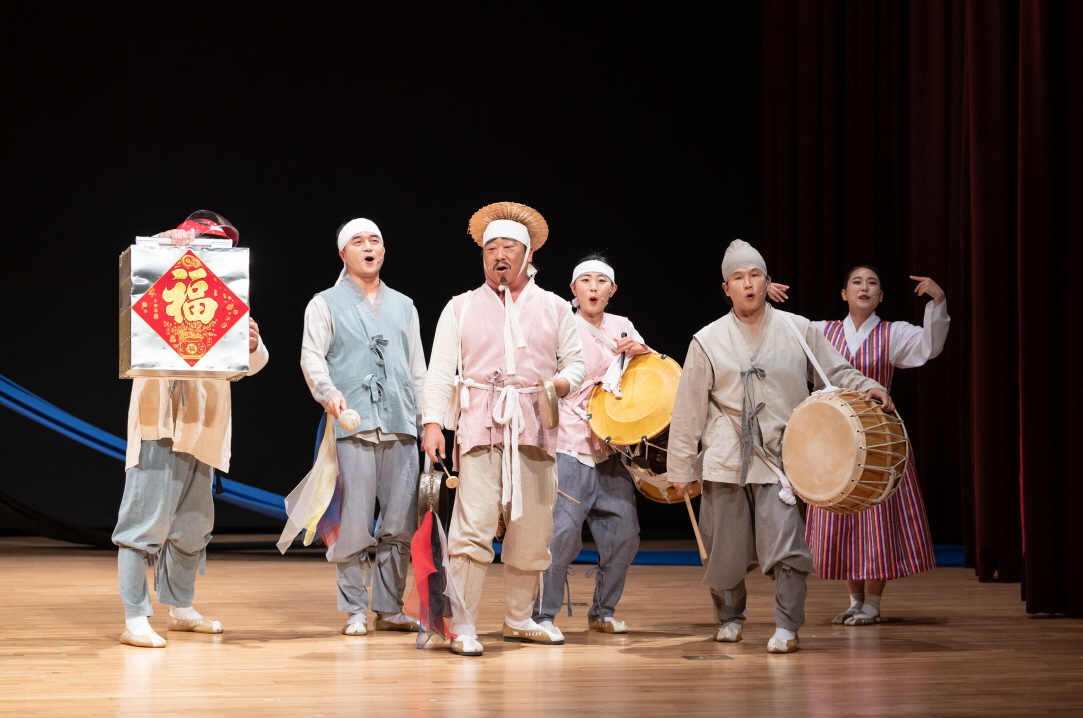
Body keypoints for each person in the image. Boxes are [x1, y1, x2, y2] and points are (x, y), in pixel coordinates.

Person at [666, 240, 889, 654]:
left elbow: (834, 371)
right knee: (723, 548)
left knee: (787, 546)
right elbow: (688, 410)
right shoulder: (707, 339)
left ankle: (787, 625)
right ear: (726, 288)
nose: (748, 284)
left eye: (755, 276)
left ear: (767, 282)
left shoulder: (798, 328)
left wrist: (869, 384)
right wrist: (681, 466)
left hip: (782, 458)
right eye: (738, 278)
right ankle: (730, 618)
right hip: (725, 459)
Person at [421, 202, 585, 656]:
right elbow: (439, 371)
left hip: (534, 425)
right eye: (490, 247)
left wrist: (558, 383)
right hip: (478, 426)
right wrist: (434, 423)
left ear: (527, 254)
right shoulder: (460, 307)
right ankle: (465, 623)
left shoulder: (554, 307)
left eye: (508, 246)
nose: (498, 254)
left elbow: (576, 364)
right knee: (471, 528)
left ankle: (518, 618)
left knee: (532, 528)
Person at [113, 211, 269, 648]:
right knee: (142, 525)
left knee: (193, 527)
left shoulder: (220, 298)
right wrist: (165, 246)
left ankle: (180, 608)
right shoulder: (157, 285)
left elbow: (249, 367)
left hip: (205, 427)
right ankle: (135, 617)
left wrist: (251, 343)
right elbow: (136, 283)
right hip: (158, 424)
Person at [767, 267, 949, 626]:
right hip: (833, 439)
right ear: (843, 294)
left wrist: (938, 301)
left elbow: (930, 346)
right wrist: (764, 296)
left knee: (877, 518)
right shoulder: (821, 331)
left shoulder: (892, 333)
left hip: (879, 438)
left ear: (881, 296)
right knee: (843, 515)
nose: (864, 288)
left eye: (872, 284)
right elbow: (782, 334)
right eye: (857, 282)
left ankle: (874, 603)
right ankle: (855, 600)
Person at [300, 218, 427, 636]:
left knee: (399, 522)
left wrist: (429, 421)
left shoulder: (405, 305)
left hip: (399, 423)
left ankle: (389, 607)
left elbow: (417, 370)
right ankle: (355, 606)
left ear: (384, 251)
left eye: (375, 240)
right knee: (354, 519)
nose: (368, 247)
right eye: (358, 241)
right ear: (343, 253)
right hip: (352, 425)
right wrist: (328, 392)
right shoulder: (324, 303)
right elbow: (311, 357)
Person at [533, 254, 649, 636]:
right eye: (586, 281)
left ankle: (603, 611)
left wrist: (641, 354)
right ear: (573, 289)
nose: (594, 288)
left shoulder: (623, 326)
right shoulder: (560, 324)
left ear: (612, 290)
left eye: (602, 282)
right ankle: (543, 614)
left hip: (611, 446)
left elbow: (643, 381)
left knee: (624, 533)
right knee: (563, 534)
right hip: (569, 441)